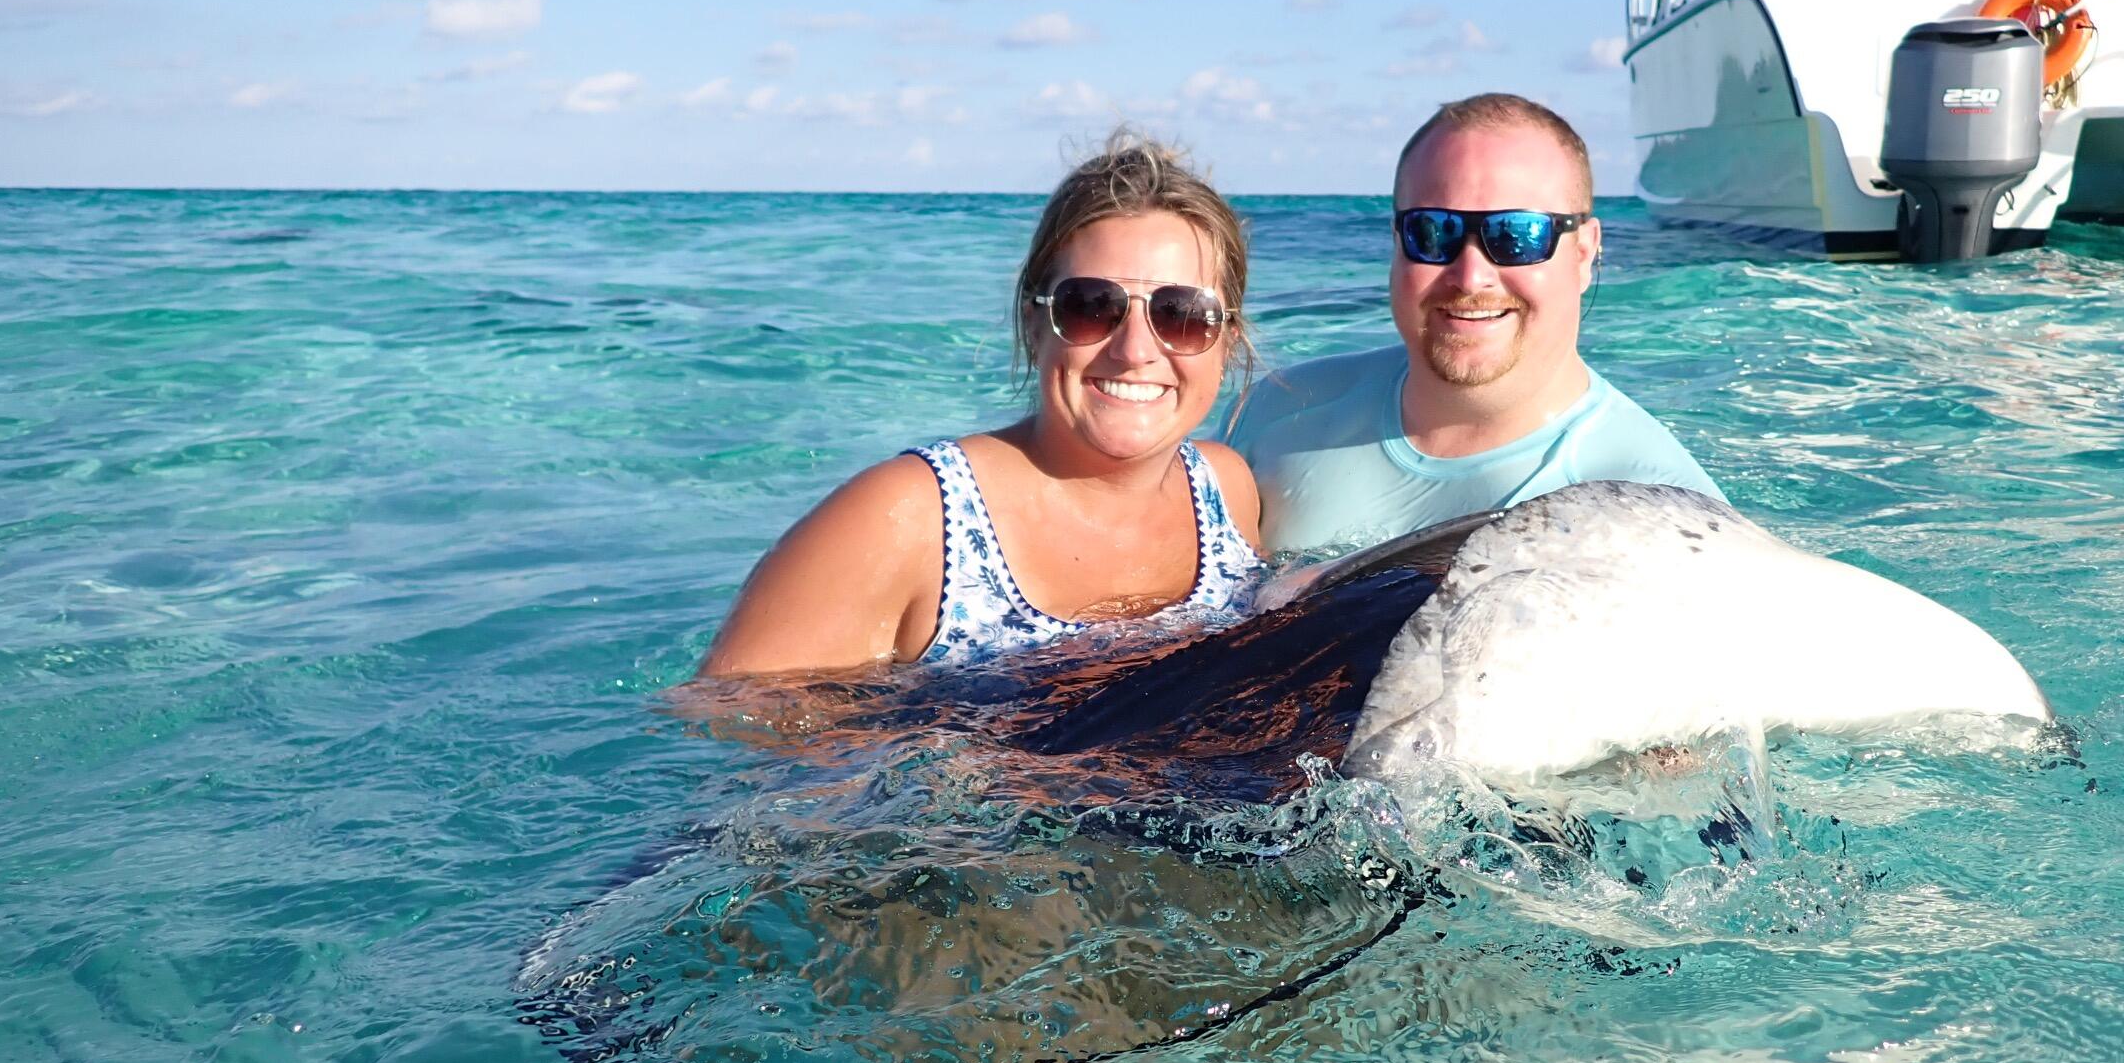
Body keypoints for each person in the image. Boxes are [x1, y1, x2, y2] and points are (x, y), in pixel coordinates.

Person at [701, 132, 1263, 677]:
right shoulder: (908, 517)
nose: (1135, 349)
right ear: (1033, 321)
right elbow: (735, 734)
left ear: (1229, 338)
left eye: (1182, 314)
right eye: (1091, 305)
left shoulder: (1225, 490)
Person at [1230, 93, 1723, 556]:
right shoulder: (1277, 407)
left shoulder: (1662, 510)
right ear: (1397, 241)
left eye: (1517, 234)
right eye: (1433, 231)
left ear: (1583, 252)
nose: (1471, 275)